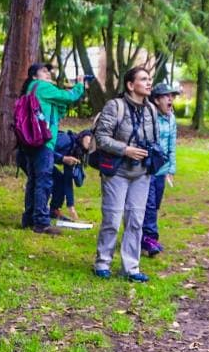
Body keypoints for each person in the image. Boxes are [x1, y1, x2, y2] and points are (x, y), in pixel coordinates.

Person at [93, 67, 157, 282]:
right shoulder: (115, 106)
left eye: (149, 79)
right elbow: (101, 137)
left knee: (136, 221)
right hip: (117, 171)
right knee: (112, 218)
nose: (149, 83)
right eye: (144, 79)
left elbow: (154, 139)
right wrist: (125, 149)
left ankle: (131, 268)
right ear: (130, 85)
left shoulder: (151, 110)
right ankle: (102, 262)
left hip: (141, 173)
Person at [18, 62, 87, 235]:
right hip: (43, 142)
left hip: (29, 141)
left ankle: (29, 218)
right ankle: (41, 222)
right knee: (44, 181)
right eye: (43, 71)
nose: (48, 74)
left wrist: (62, 99)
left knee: (33, 180)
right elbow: (69, 97)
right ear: (34, 76)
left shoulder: (34, 90)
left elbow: (60, 110)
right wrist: (80, 85)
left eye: (49, 71)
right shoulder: (41, 86)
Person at [142, 82, 180, 257]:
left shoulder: (171, 118)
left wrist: (171, 169)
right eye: (166, 96)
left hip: (162, 168)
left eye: (172, 96)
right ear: (156, 100)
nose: (170, 99)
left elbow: (172, 144)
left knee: (154, 203)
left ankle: (143, 234)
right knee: (148, 204)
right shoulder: (148, 116)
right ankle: (150, 239)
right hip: (147, 167)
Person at [50, 129, 92, 223]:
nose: (90, 143)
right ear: (83, 137)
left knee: (61, 180)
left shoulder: (75, 151)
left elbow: (67, 180)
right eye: (89, 139)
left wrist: (71, 207)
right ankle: (36, 213)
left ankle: (54, 210)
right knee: (45, 180)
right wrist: (62, 158)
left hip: (45, 160)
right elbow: (45, 151)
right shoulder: (66, 140)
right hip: (31, 156)